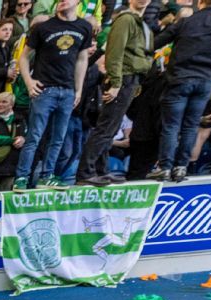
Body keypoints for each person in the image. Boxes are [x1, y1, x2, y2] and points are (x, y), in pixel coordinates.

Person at [147, 0, 211, 182]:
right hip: (205, 79)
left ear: (200, 2)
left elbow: (157, 42)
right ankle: (181, 168)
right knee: (191, 125)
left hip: (179, 78)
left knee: (172, 125)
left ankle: (165, 167)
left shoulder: (187, 21)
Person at [13, 0, 93, 189]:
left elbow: (82, 59)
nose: (62, 2)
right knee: (34, 136)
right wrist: (28, 81)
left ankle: (46, 176)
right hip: (44, 89)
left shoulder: (84, 27)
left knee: (58, 138)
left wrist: (79, 89)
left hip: (67, 90)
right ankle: (21, 177)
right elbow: (23, 56)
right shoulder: (44, 27)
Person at [76, 0, 152, 185]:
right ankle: (86, 172)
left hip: (130, 80)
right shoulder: (126, 20)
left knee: (109, 128)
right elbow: (114, 52)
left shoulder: (142, 24)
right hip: (122, 79)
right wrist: (116, 83)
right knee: (105, 128)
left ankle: (101, 170)